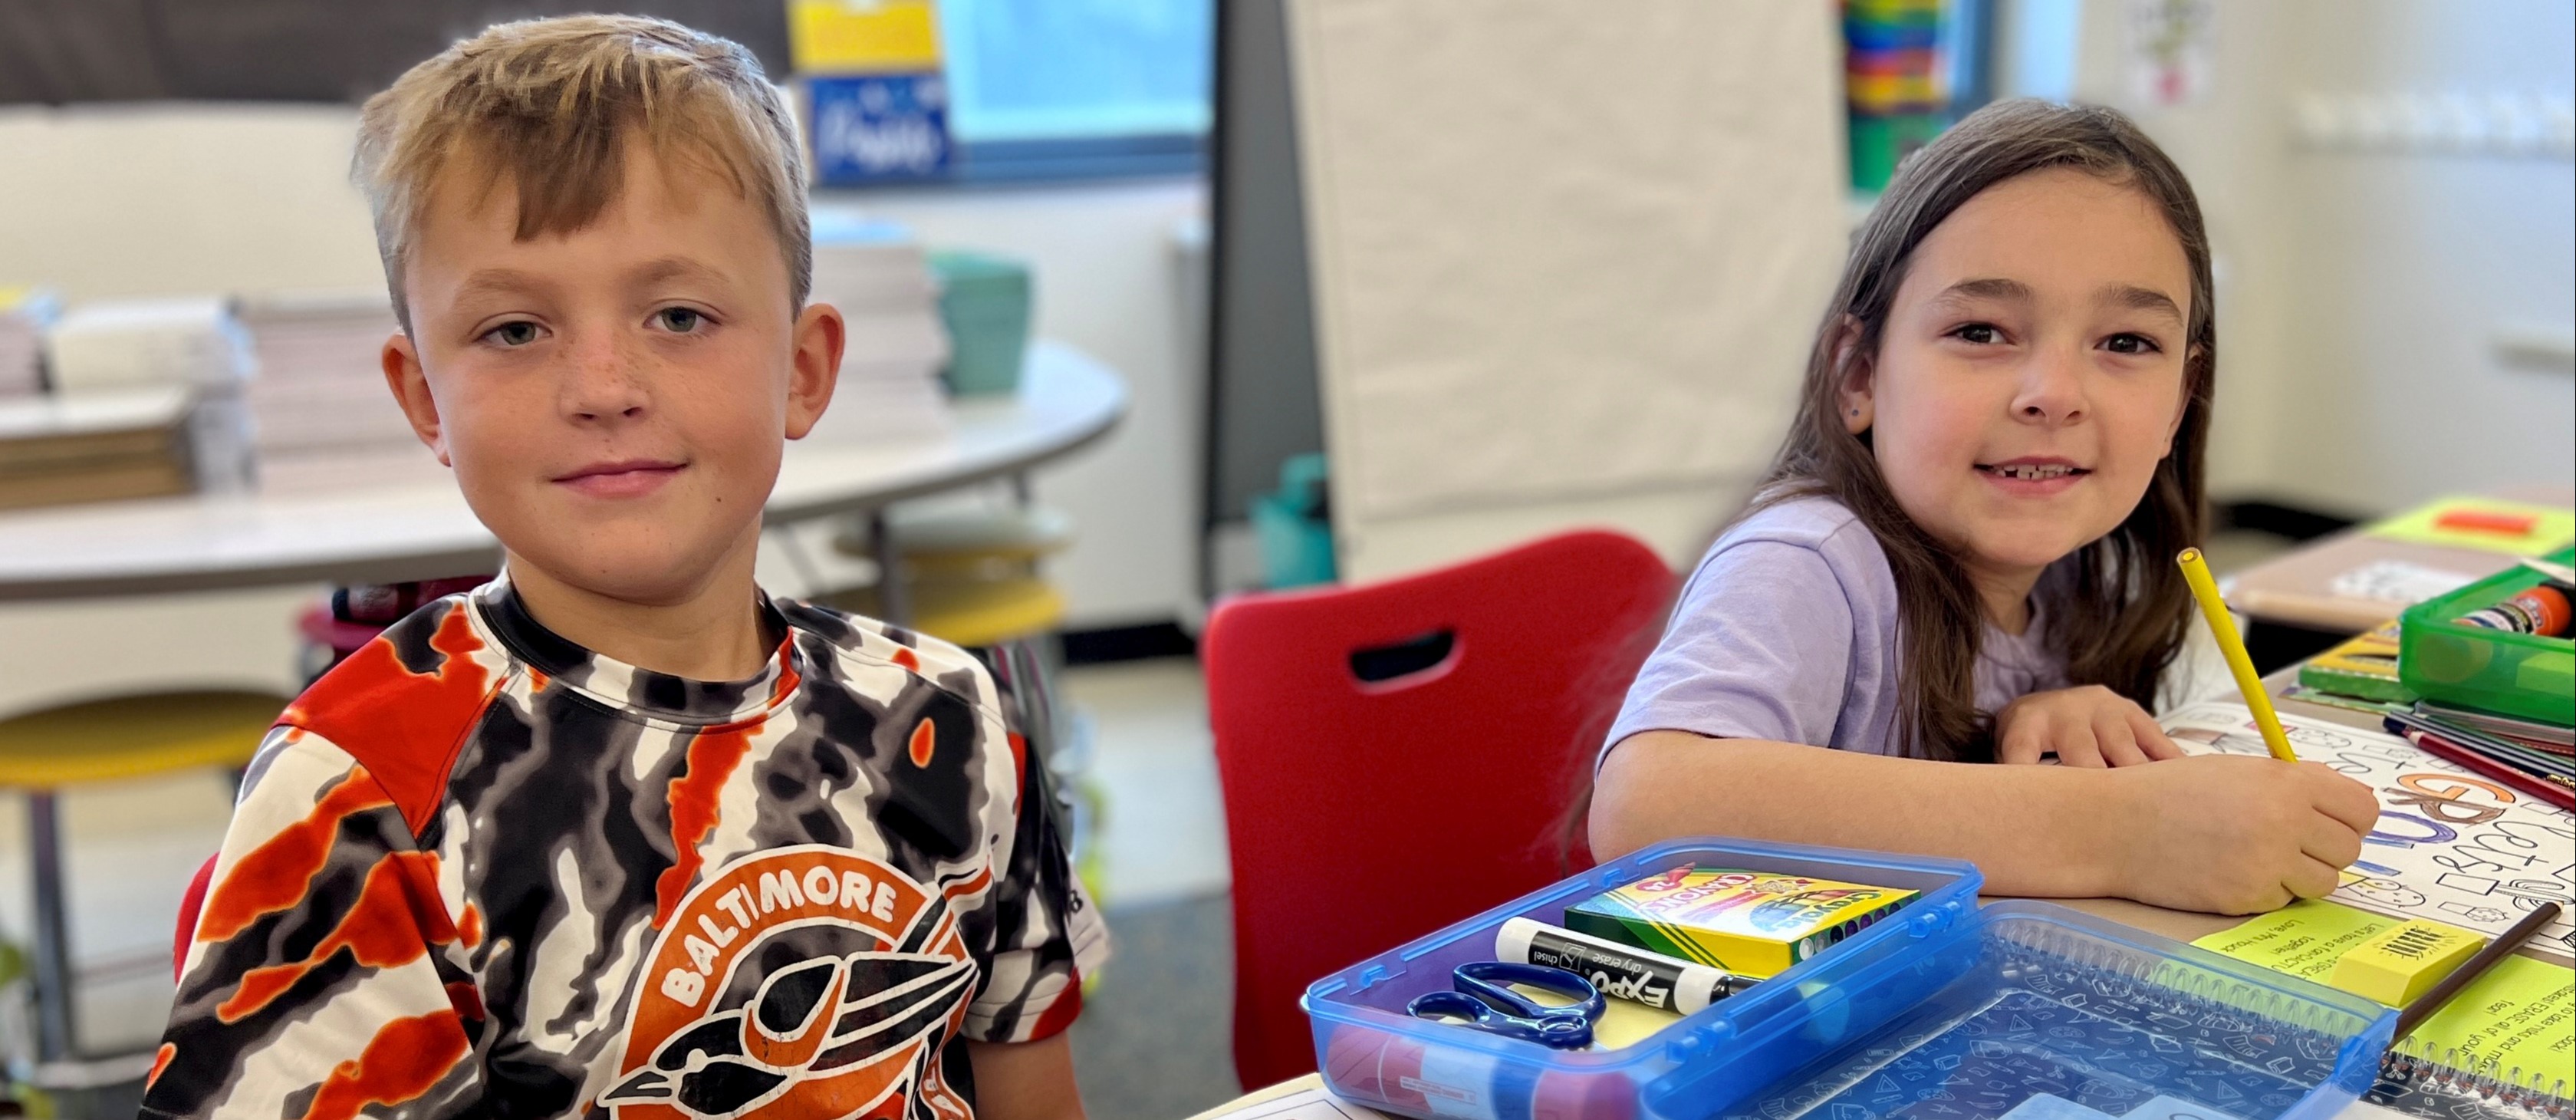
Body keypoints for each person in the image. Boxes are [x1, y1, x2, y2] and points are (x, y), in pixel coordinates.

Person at [142, 16, 1102, 1118]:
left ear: (801, 370)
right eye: (513, 331)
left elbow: (1032, 1077)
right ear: (423, 400)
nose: (602, 386)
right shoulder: (359, 795)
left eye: (679, 315)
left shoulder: (948, 713)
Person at [1589, 100, 2378, 917]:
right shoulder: (1808, 561)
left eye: (2124, 343)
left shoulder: (2097, 572)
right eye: (1980, 330)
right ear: (1858, 376)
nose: (2053, 394)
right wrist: (2113, 828)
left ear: (2180, 398)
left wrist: (2059, 737)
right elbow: (1645, 805)